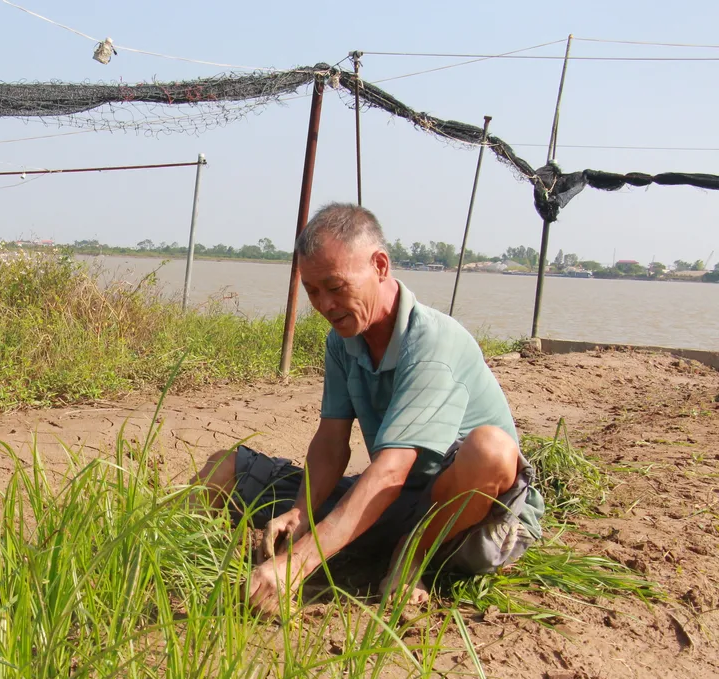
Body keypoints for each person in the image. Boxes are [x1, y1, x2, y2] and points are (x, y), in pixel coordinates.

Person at [195, 203, 544, 614]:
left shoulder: (432, 344)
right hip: (395, 501)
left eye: (335, 286)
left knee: (491, 450)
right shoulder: (344, 340)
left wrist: (298, 563)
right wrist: (302, 511)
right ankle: (137, 549)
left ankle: (412, 555)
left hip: (469, 519)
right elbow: (331, 442)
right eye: (312, 290)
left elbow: (393, 468)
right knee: (227, 466)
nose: (324, 304)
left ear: (380, 265)